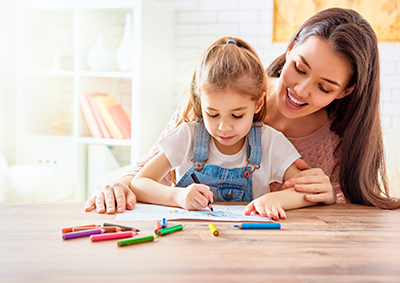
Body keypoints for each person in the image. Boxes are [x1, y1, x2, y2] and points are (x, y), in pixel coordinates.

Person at [84, 7, 400, 214]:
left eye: (324, 87)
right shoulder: (224, 90)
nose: (302, 90)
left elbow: (343, 209)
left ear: (346, 91)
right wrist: (120, 186)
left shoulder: (336, 138)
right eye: (299, 68)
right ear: (289, 50)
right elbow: (147, 171)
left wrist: (329, 195)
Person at [128, 37, 317, 220]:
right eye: (212, 114)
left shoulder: (270, 142)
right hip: (190, 240)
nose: (224, 127)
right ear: (201, 103)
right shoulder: (188, 137)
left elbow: (309, 191)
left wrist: (275, 199)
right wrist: (177, 196)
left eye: (237, 115)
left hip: (248, 240)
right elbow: (139, 183)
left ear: (258, 104)